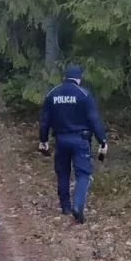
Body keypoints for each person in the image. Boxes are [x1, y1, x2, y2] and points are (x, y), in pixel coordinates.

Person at [38, 64, 107, 224]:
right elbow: (94, 119)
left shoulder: (52, 94)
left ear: (65, 77)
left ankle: (65, 207)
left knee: (62, 172)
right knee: (83, 174)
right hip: (80, 140)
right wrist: (102, 140)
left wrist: (43, 140)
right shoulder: (84, 94)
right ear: (79, 77)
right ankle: (78, 205)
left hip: (61, 139)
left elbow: (44, 121)